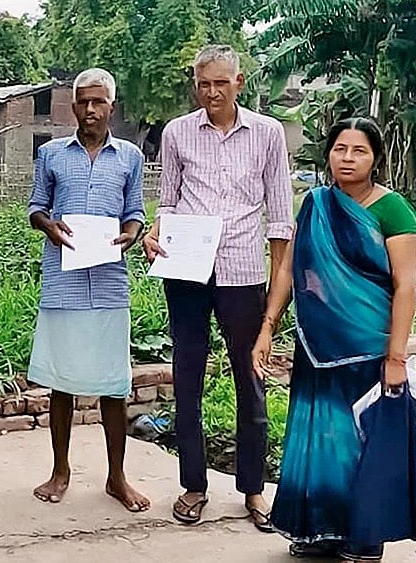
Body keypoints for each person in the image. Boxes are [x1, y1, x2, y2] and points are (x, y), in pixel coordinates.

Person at [255, 118, 416, 562]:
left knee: (363, 441)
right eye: (340, 149)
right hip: (319, 347)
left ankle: (365, 535)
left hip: (371, 347)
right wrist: (267, 325)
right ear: (328, 153)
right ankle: (321, 529)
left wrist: (396, 356)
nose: (347, 158)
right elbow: (290, 268)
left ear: (375, 158)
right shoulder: (315, 204)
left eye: (359, 151)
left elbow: (406, 285)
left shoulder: (393, 210)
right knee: (323, 436)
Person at [142, 44, 293, 529]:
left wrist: (276, 286)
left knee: (250, 378)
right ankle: (193, 485)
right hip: (187, 271)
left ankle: (253, 490)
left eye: (220, 83)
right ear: (196, 84)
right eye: (203, 84)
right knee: (187, 375)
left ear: (239, 83)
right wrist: (155, 233)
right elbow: (168, 201)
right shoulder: (178, 132)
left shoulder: (268, 134)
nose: (211, 92)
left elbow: (280, 217)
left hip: (243, 272)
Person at [25, 68, 150, 511]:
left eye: (98, 102)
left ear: (111, 107)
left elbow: (134, 211)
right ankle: (61, 471)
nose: (91, 110)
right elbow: (36, 208)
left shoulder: (130, 157)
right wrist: (50, 226)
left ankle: (117, 477)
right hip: (64, 282)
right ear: (73, 105)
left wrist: (131, 234)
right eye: (83, 102)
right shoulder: (52, 155)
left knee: (114, 386)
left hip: (110, 286)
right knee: (62, 384)